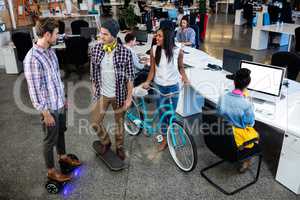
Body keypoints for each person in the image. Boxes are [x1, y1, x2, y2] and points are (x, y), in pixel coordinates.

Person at [23, 18, 81, 182]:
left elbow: (55, 79)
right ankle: (51, 171)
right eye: (56, 33)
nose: (59, 36)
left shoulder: (50, 51)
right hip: (48, 108)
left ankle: (62, 157)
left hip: (58, 103)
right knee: (49, 140)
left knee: (61, 132)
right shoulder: (32, 59)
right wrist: (45, 113)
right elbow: (34, 91)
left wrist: (63, 98)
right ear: (47, 35)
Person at [90, 18, 135, 160]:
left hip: (119, 94)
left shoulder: (125, 53)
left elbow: (130, 78)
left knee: (119, 123)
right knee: (95, 122)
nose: (101, 37)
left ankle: (120, 147)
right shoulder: (96, 49)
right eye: (100, 33)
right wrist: (94, 86)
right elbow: (93, 70)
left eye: (105, 34)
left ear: (114, 36)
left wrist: (129, 98)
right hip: (102, 93)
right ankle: (106, 142)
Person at [142, 28, 190, 151]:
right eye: (156, 35)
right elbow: (152, 69)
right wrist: (147, 81)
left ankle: (171, 134)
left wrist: (185, 78)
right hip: (159, 87)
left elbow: (181, 67)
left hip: (173, 87)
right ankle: (164, 139)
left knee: (172, 114)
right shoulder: (154, 50)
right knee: (162, 114)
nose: (156, 38)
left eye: (159, 36)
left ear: (167, 38)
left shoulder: (178, 51)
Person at [217, 68, 260, 173]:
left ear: (234, 82)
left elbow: (219, 113)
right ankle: (247, 161)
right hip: (238, 136)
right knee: (256, 135)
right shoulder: (246, 103)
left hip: (223, 132)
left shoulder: (223, 97)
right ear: (247, 85)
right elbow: (250, 122)